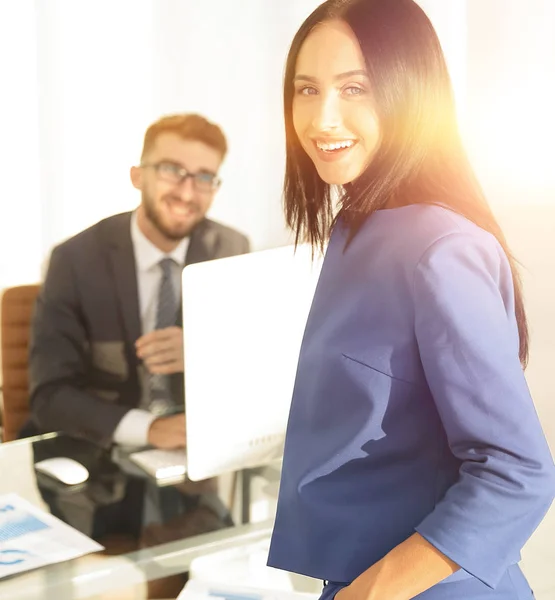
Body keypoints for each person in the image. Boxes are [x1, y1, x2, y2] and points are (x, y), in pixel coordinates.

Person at [267, 1, 555, 599]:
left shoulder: (439, 248)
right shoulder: (359, 226)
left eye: (355, 88)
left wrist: (370, 593)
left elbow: (516, 471)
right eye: (307, 89)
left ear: (410, 92)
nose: (323, 119)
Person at [24, 113, 250, 541]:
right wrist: (147, 428)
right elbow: (49, 396)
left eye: (204, 177)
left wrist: (205, 352)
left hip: (190, 466)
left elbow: (257, 364)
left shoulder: (231, 249)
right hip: (91, 463)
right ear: (137, 175)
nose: (187, 192)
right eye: (172, 171)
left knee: (230, 562)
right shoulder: (75, 261)